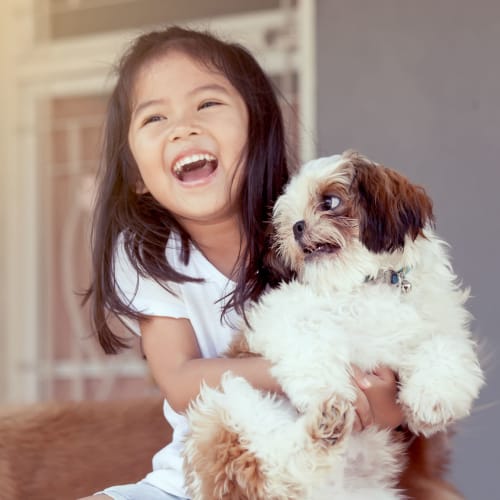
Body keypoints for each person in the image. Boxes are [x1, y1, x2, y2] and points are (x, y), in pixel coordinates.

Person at [79, 26, 405, 500]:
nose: (183, 127)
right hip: (202, 479)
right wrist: (299, 372)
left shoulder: (313, 230)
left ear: (258, 130)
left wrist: (376, 398)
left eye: (207, 104)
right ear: (136, 178)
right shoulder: (146, 251)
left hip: (318, 479)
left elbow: (391, 399)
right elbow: (181, 381)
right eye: (154, 118)